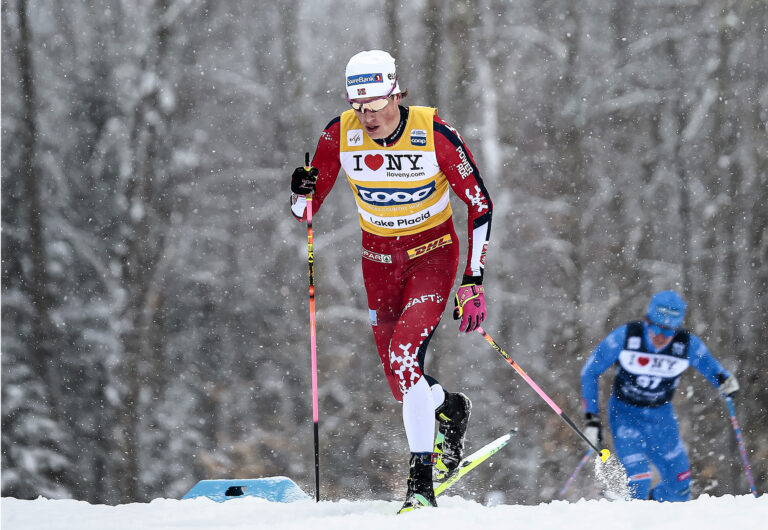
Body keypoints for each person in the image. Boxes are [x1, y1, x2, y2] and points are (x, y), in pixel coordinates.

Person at [289, 50, 493, 512]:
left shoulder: (434, 134)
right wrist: (300, 190)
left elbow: (480, 203)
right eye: (359, 107)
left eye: (377, 105)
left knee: (405, 355)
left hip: (432, 256)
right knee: (402, 383)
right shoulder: (338, 134)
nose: (368, 117)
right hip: (378, 263)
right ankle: (451, 408)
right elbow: (306, 211)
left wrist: (473, 279)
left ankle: (420, 486)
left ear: (396, 94)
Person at [580, 290, 740, 501]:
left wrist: (725, 381)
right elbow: (590, 371)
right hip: (625, 415)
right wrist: (591, 419)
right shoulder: (626, 336)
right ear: (647, 321)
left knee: (680, 488)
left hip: (661, 418)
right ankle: (625, 510)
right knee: (638, 480)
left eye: (668, 331)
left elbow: (713, 369)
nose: (660, 336)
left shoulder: (686, 345)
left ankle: (650, 509)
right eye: (655, 327)